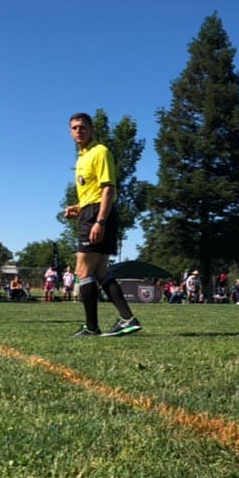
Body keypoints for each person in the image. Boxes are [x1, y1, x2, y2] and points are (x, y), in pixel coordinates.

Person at [63, 112, 142, 337]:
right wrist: (77, 208)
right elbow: (92, 192)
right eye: (74, 128)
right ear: (70, 132)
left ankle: (91, 327)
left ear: (91, 129)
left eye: (83, 127)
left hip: (98, 214)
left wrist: (99, 221)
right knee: (99, 271)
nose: (79, 131)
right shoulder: (81, 158)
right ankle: (128, 319)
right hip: (89, 211)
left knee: (83, 270)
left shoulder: (100, 152)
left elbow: (108, 188)